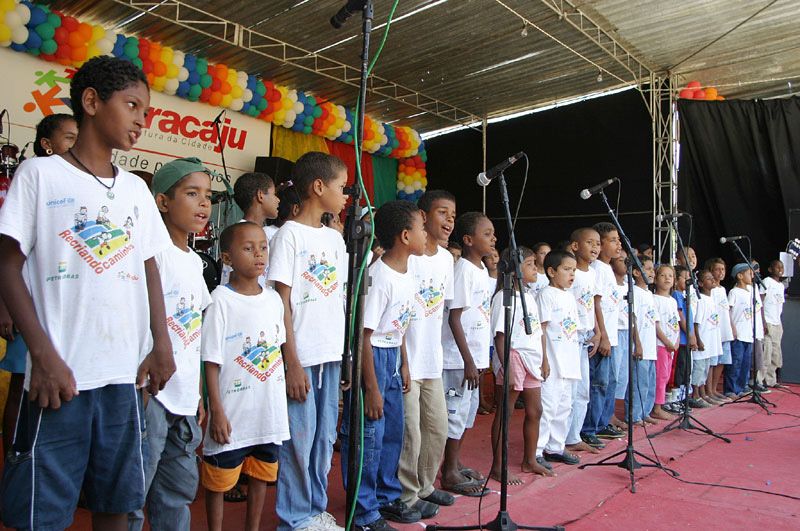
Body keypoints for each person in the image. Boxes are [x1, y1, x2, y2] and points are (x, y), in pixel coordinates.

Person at [0, 55, 175, 530]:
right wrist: (43, 354)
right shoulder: (40, 175)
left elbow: (150, 269)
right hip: (61, 377)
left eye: (147, 110)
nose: (142, 119)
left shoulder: (137, 193)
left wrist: (161, 344)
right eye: (132, 105)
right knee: (41, 510)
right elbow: (7, 264)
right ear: (92, 101)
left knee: (117, 504)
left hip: (122, 378)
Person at [127, 158, 214, 531]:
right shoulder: (152, 256)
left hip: (182, 398)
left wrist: (197, 395)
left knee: (177, 492)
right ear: (162, 202)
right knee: (133, 491)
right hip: (152, 394)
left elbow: (192, 334)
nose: (203, 205)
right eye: (191, 194)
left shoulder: (194, 262)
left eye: (208, 196)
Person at [268, 151, 348, 531]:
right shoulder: (288, 234)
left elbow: (339, 299)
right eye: (341, 187)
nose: (346, 195)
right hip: (302, 356)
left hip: (330, 355)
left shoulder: (334, 239)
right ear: (319, 188)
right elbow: (280, 302)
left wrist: (344, 356)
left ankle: (315, 509)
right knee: (299, 440)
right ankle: (295, 517)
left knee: (323, 438)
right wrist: (292, 362)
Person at [340, 200, 426, 530]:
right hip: (371, 357)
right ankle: (362, 510)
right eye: (420, 228)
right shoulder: (379, 276)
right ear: (405, 236)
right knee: (368, 435)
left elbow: (399, 325)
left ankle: (387, 495)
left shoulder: (408, 273)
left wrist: (403, 363)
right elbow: (362, 334)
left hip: (391, 355)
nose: (425, 234)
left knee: (392, 431)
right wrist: (371, 387)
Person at [201, 222, 289, 531]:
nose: (258, 254)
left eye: (263, 247)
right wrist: (217, 412)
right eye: (248, 248)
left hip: (267, 412)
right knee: (219, 481)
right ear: (226, 258)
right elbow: (210, 361)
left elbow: (276, 351)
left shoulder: (274, 300)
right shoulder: (220, 301)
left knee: (261, 475)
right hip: (232, 412)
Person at [0, 113, 78, 456]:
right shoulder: (31, 178)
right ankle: (16, 457)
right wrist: (5, 305)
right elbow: (9, 253)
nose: (77, 145)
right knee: (23, 384)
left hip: (64, 308)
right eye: (69, 138)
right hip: (27, 304)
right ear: (47, 144)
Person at [397, 191, 456, 515]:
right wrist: (404, 358)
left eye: (452, 215)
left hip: (432, 359)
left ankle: (425, 486)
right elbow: (400, 312)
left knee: (437, 429)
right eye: (442, 213)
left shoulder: (447, 260)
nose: (449, 220)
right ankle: (407, 496)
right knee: (412, 434)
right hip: (408, 359)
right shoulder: (409, 255)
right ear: (422, 215)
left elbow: (443, 314)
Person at [440, 212, 496, 497]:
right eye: (487, 234)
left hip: (472, 358)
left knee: (466, 413)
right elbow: (454, 317)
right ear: (468, 240)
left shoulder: (482, 271)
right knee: (454, 413)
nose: (493, 238)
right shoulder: (462, 270)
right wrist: (468, 361)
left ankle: (456, 462)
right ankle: (448, 472)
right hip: (457, 360)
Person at [489, 247, 552, 483]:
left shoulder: (530, 296)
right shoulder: (503, 298)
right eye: (530, 263)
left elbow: (538, 332)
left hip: (532, 357)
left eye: (535, 262)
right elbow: (500, 336)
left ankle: (529, 460)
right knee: (505, 413)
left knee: (535, 410)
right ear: (514, 269)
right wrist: (506, 366)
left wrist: (544, 359)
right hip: (513, 356)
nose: (535, 267)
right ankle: (498, 466)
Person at [536, 250, 581, 466]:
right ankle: (537, 449)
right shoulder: (546, 295)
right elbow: (541, 330)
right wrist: (543, 359)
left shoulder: (569, 296)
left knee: (564, 407)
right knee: (548, 407)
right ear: (552, 271)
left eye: (573, 270)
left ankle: (556, 446)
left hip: (569, 361)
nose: (571, 274)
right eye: (566, 269)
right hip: (553, 362)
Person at [566, 228, 602, 452]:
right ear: (575, 246)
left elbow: (594, 305)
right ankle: (562, 438)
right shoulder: (571, 273)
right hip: (570, 336)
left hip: (587, 336)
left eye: (597, 243)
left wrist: (598, 332)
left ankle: (574, 435)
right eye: (590, 242)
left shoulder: (593, 273)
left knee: (583, 390)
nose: (595, 247)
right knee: (569, 391)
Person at [589, 222, 624, 441]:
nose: (618, 244)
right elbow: (596, 304)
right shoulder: (597, 269)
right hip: (604, 335)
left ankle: (603, 421)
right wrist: (602, 334)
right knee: (599, 383)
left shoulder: (607, 269)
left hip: (611, 334)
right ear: (600, 245)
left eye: (618, 240)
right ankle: (591, 426)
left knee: (609, 381)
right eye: (612, 240)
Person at [219, 172, 280, 287]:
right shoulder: (239, 235)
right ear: (260, 195)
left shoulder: (263, 233)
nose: (278, 200)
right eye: (274, 194)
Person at [628, 255, 658, 426]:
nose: (652, 273)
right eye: (648, 269)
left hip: (651, 346)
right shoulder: (636, 292)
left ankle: (645, 412)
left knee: (649, 382)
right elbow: (633, 319)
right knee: (639, 383)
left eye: (653, 269)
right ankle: (635, 415)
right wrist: (637, 343)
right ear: (637, 272)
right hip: (641, 345)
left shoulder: (649, 293)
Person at [690, 270, 722, 407]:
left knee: (705, 370)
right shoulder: (701, 300)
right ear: (701, 283)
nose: (713, 279)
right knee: (698, 370)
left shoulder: (712, 299)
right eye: (708, 279)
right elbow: (697, 323)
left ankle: (704, 393)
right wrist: (698, 340)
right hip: (702, 341)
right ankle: (696, 395)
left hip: (711, 341)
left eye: (712, 277)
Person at [669, 265, 699, 410]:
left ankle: (684, 397)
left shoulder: (684, 295)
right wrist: (690, 335)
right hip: (681, 339)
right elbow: (680, 317)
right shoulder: (676, 294)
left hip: (686, 340)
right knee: (678, 370)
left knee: (686, 369)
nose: (688, 280)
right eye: (685, 278)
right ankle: (675, 399)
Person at [652, 264, 679, 419]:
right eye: (663, 275)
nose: (667, 278)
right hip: (661, 345)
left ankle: (660, 404)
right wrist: (667, 342)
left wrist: (675, 342)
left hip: (671, 346)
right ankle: (656, 407)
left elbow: (675, 322)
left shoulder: (673, 301)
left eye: (670, 275)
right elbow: (656, 325)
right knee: (660, 376)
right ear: (655, 279)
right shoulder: (655, 299)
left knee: (667, 375)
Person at [724, 263, 755, 397]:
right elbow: (729, 311)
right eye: (749, 273)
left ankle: (741, 387)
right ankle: (731, 389)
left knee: (745, 363)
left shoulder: (750, 291)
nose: (752, 276)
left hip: (748, 333)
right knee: (735, 362)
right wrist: (733, 328)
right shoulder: (734, 292)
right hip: (738, 333)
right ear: (740, 276)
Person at [706, 258, 733, 402]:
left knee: (721, 361)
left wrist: (732, 326)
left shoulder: (723, 289)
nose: (721, 272)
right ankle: (708, 390)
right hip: (714, 330)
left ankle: (715, 388)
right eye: (717, 269)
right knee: (712, 361)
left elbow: (727, 310)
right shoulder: (711, 291)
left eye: (723, 269)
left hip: (725, 329)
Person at [609, 249, 630, 429]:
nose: (625, 263)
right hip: (613, 331)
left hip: (626, 331)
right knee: (613, 375)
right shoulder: (610, 283)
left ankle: (614, 413)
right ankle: (609, 415)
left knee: (622, 374)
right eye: (621, 259)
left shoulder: (628, 284)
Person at [761, 259, 786, 388]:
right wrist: (763, 321)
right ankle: (759, 381)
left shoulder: (781, 285)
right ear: (770, 269)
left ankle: (771, 380)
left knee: (776, 353)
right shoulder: (767, 282)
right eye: (777, 267)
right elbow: (761, 301)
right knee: (766, 352)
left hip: (777, 322)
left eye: (782, 267)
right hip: (768, 321)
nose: (780, 269)